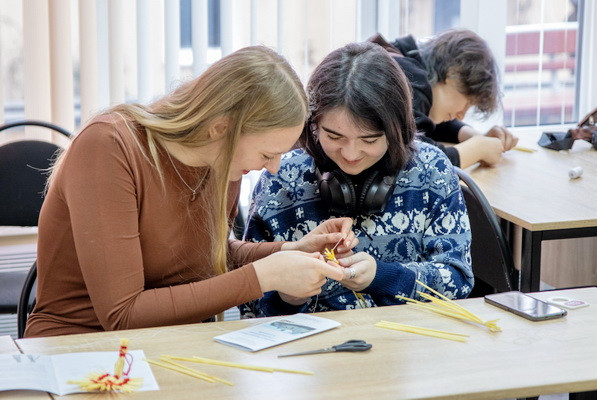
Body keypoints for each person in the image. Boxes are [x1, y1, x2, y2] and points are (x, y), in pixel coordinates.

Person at [25, 46, 359, 338]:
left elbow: (203, 259)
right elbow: (123, 315)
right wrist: (262, 277)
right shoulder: (109, 147)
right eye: (266, 154)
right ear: (221, 128)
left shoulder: (222, 161)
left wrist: (290, 250)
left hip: (173, 344)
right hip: (77, 349)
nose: (272, 168)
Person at [240, 42, 473, 318]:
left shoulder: (431, 170)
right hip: (308, 353)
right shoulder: (281, 179)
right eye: (334, 137)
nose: (351, 154)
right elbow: (249, 307)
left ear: (397, 129)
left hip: (409, 350)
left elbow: (458, 281)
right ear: (312, 123)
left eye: (369, 139)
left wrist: (383, 276)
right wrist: (287, 298)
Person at [369, 29, 519, 168]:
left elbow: (420, 123)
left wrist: (473, 136)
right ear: (454, 73)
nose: (461, 115)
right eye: (467, 103)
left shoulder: (401, 58)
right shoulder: (409, 78)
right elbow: (418, 156)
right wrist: (478, 149)